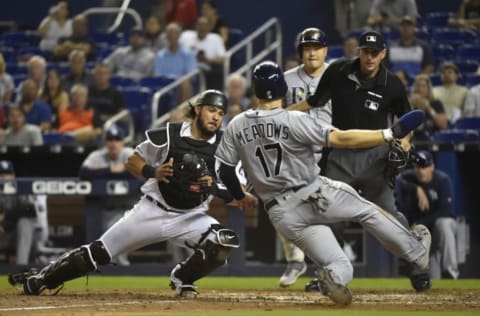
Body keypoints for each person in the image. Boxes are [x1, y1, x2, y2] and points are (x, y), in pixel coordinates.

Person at [215, 60, 431, 305]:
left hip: (281, 214)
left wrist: (239, 195)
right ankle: (416, 252)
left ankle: (332, 277)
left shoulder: (236, 124)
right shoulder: (293, 119)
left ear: (254, 89)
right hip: (312, 193)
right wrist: (388, 134)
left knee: (339, 264)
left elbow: (225, 170)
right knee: (368, 210)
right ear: (283, 89)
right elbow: (342, 138)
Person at [8, 89, 244, 299]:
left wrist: (216, 187)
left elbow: (234, 191)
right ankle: (43, 278)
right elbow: (133, 161)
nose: (216, 117)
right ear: (199, 109)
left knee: (223, 240)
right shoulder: (170, 134)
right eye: (211, 110)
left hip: (192, 216)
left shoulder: (224, 146)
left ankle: (183, 278)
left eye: (221, 113)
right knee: (98, 253)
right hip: (153, 209)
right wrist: (154, 171)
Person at [287, 31, 432, 292]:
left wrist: (406, 142)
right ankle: (328, 273)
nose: (370, 57)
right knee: (327, 216)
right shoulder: (338, 72)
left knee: (388, 215)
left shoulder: (393, 84)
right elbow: (313, 102)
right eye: (366, 51)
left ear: (383, 54)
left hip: (376, 157)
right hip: (340, 154)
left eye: (375, 53)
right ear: (359, 52)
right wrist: (278, 116)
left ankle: (416, 263)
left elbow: (406, 121)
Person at [279, 27, 332, 288]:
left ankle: (325, 269)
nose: (311, 53)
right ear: (301, 52)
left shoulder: (339, 76)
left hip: (331, 151)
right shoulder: (286, 79)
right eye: (306, 48)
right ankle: (295, 260)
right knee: (280, 205)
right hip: (295, 153)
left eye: (316, 48)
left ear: (325, 50)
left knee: (325, 213)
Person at [395, 150, 459, 279]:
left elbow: (445, 211)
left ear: (432, 167)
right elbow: (394, 181)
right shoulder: (409, 178)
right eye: (418, 167)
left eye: (424, 167)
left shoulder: (442, 180)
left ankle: (450, 272)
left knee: (444, 223)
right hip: (422, 237)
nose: (420, 171)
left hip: (439, 232)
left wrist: (419, 224)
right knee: (431, 282)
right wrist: (416, 189)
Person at [79, 125, 135, 266]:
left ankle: (122, 265)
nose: (113, 143)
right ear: (105, 142)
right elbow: (84, 173)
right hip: (103, 208)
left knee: (118, 229)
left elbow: (134, 172)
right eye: (110, 139)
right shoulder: (97, 155)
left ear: (122, 142)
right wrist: (111, 169)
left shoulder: (129, 152)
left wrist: (101, 171)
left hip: (126, 207)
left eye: (117, 139)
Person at [0, 160, 48, 265]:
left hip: (24, 237)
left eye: (6, 174)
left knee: (25, 222)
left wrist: (5, 221)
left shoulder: (20, 188)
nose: (3, 178)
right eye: (1, 175)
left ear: (13, 175)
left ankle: (21, 267)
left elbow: (30, 210)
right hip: (4, 236)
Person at [153, 22, 197, 102]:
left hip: (179, 85)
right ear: (166, 36)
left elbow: (191, 75)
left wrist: (176, 81)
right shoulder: (160, 55)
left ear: (179, 35)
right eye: (170, 33)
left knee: (185, 83)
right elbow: (158, 74)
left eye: (175, 33)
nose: (172, 35)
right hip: (164, 85)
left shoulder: (188, 53)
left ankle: (184, 112)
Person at [180, 16, 226, 90]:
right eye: (200, 27)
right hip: (186, 67)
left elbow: (222, 60)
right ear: (196, 26)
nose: (202, 29)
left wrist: (206, 59)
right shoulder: (186, 36)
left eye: (204, 28)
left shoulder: (216, 38)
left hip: (207, 68)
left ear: (208, 28)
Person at [409, 74, 448, 141]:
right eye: (418, 86)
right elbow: (398, 124)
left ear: (428, 88)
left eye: (423, 86)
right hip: (412, 140)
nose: (420, 89)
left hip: (432, 140)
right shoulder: (409, 103)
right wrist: (411, 105)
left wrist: (428, 107)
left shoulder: (436, 103)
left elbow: (443, 125)